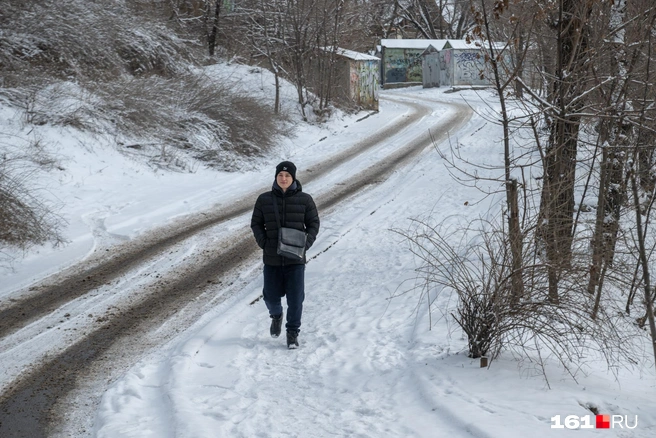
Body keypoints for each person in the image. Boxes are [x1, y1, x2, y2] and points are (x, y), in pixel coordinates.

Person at [250, 161, 320, 349]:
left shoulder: (305, 200)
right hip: (272, 257)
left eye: (287, 176)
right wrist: (264, 243)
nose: (283, 178)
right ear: (276, 177)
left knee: (296, 299)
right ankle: (276, 316)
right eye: (280, 175)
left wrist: (306, 244)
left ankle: (292, 333)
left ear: (293, 178)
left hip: (295, 259)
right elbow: (256, 223)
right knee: (270, 297)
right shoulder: (264, 199)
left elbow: (313, 223)